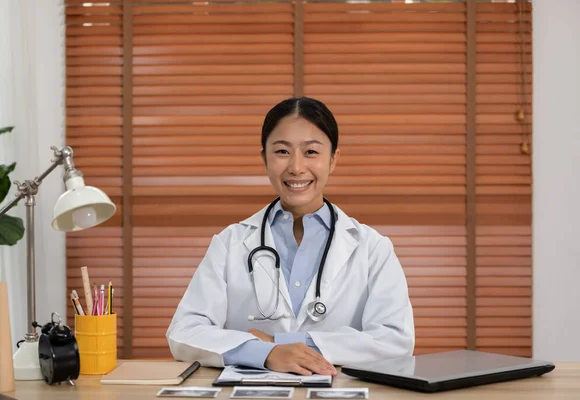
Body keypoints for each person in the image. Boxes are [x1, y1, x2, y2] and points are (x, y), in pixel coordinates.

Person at [166, 97, 415, 376]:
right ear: (264, 159)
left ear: (333, 159)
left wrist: (279, 344)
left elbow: (395, 340)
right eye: (282, 151)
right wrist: (267, 353)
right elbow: (184, 332)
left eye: (311, 152)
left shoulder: (372, 248)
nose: (296, 167)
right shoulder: (230, 243)